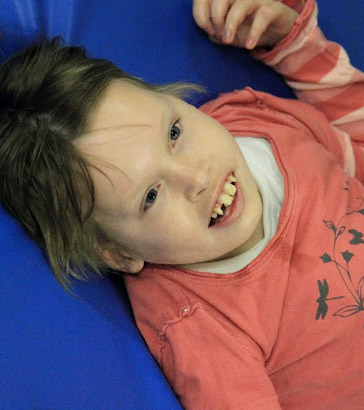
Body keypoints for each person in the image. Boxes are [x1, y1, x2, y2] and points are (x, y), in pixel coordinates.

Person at [0, 0, 363, 408]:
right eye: (150, 196)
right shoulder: (196, 323)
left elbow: (356, 143)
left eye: (174, 132)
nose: (197, 178)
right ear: (119, 253)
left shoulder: (253, 117)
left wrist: (292, 43)